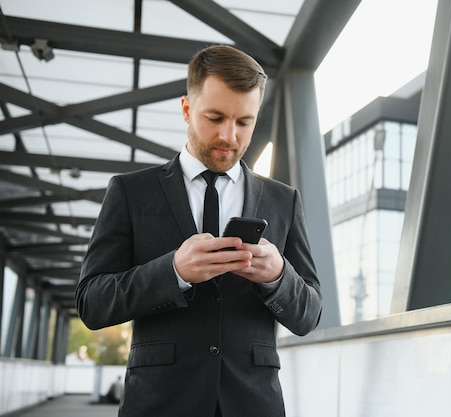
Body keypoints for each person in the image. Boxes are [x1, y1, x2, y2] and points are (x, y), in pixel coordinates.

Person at [76, 45, 323, 417]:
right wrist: (172, 271)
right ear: (187, 109)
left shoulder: (283, 199)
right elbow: (92, 303)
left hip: (253, 404)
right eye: (215, 117)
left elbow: (309, 315)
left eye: (244, 122)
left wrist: (277, 275)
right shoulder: (130, 192)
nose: (229, 136)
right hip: (160, 403)